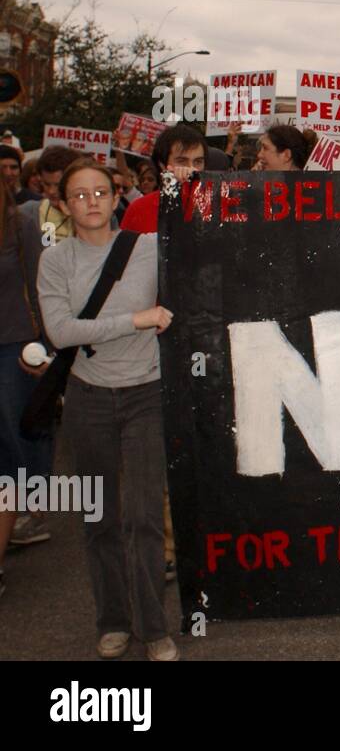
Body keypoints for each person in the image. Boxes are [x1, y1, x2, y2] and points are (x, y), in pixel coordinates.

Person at [36, 159, 178, 660]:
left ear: (117, 197)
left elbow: (192, 296)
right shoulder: (55, 262)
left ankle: (154, 627)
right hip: (88, 398)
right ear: (62, 204)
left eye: (101, 191)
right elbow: (62, 331)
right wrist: (136, 319)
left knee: (143, 518)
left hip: (146, 393)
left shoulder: (149, 250)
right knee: (100, 520)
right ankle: (113, 620)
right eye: (79, 195)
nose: (92, 202)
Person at [0, 181, 49, 590]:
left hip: (13, 348)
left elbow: (39, 286)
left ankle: (26, 514)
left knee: (14, 443)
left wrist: (46, 348)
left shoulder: (20, 226)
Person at [119, 124, 208, 234]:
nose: (191, 169)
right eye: (182, 161)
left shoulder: (218, 206)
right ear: (162, 164)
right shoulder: (139, 209)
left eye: (198, 162)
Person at [19, 145, 80, 244]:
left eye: (58, 185)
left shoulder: (92, 215)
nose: (51, 191)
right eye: (46, 184)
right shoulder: (26, 213)